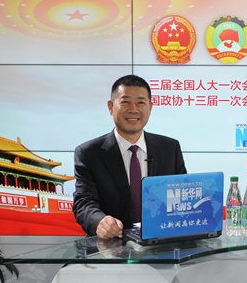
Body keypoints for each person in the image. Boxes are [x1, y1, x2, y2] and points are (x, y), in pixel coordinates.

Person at [73, 75, 187, 238]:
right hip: (111, 244)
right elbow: (84, 202)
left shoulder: (170, 148)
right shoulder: (89, 153)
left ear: (150, 108)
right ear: (111, 107)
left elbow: (181, 197)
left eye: (140, 103)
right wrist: (100, 222)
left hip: (162, 242)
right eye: (125, 102)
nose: (133, 109)